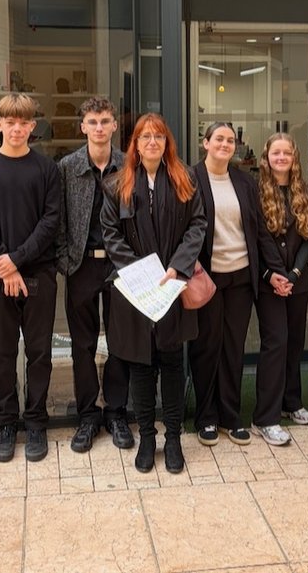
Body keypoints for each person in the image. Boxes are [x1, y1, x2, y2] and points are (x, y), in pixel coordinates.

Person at [101, 113, 205, 474]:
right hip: (135, 289)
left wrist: (177, 266)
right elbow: (110, 233)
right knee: (141, 367)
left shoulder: (183, 179)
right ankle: (147, 437)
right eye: (144, 137)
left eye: (158, 137)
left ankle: (173, 437)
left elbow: (197, 225)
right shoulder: (117, 185)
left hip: (172, 286)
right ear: (135, 143)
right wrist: (138, 271)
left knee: (173, 364)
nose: (151, 142)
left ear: (167, 143)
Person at [0, 93, 62, 464]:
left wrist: (17, 261)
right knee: (2, 353)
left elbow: (51, 221)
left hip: (38, 271)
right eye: (11, 122)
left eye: (24, 122)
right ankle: (6, 422)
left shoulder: (46, 169)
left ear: (32, 127)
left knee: (39, 353)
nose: (17, 128)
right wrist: (2, 264)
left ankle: (36, 421)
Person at [190, 123, 287, 446]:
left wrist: (273, 269)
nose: (225, 144)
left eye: (230, 140)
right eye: (219, 139)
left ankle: (230, 416)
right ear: (205, 143)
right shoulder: (191, 179)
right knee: (207, 348)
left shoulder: (245, 181)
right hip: (208, 276)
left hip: (242, 277)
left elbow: (258, 231)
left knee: (233, 349)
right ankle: (206, 417)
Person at [56, 97, 133, 453]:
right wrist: (65, 261)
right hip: (81, 264)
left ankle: (116, 411)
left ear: (114, 126)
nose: (99, 127)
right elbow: (56, 219)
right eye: (92, 121)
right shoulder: (67, 167)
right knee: (82, 345)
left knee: (120, 343)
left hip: (119, 266)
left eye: (105, 121)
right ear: (83, 126)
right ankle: (88, 414)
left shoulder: (129, 165)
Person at [255, 133, 308, 434]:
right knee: (276, 343)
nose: (281, 158)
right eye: (276, 153)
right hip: (268, 282)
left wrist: (294, 274)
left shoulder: (303, 191)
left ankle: (291, 402)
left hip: (297, 281)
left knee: (295, 343)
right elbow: (257, 239)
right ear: (266, 158)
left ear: (294, 157)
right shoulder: (255, 192)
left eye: (287, 153)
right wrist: (272, 274)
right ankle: (265, 416)